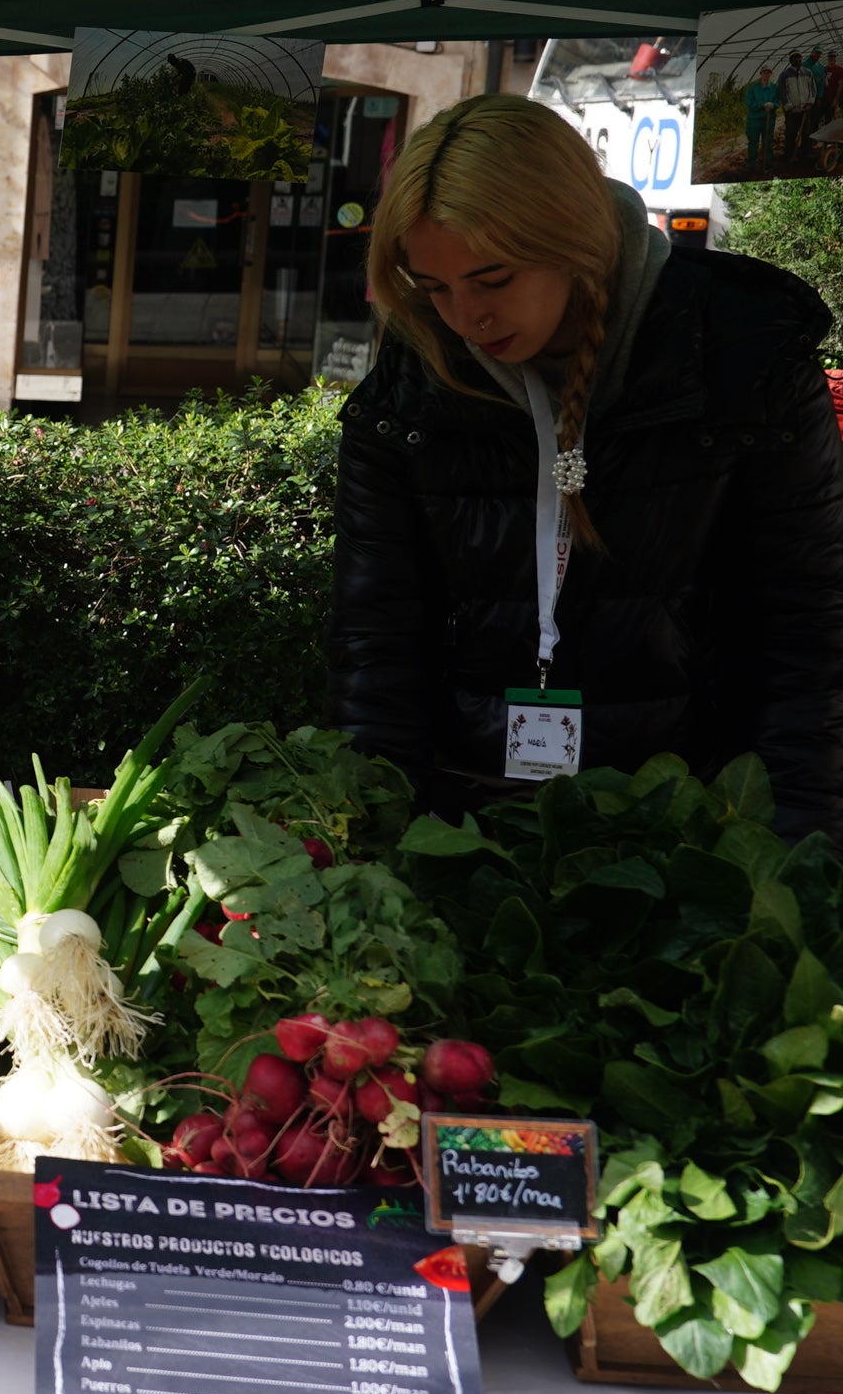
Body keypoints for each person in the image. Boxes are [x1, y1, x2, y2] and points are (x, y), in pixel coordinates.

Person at [331, 92, 843, 840]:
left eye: (493, 279)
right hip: (468, 821)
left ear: (570, 239)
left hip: (700, 825)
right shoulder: (414, 383)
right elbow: (375, 640)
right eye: (434, 288)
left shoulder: (745, 351)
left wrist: (801, 858)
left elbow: (810, 630)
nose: (466, 318)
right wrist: (370, 835)